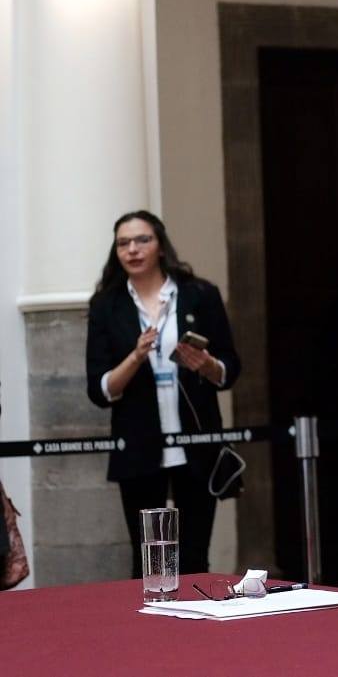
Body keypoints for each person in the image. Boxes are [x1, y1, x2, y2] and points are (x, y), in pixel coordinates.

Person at [85, 210, 241, 579]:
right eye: (123, 243)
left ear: (160, 245)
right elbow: (99, 389)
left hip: (195, 441)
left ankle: (197, 628)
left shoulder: (199, 294)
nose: (133, 250)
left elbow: (230, 369)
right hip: (139, 445)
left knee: (194, 556)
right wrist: (137, 356)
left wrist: (204, 364)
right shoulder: (107, 305)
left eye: (142, 240)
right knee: (147, 561)